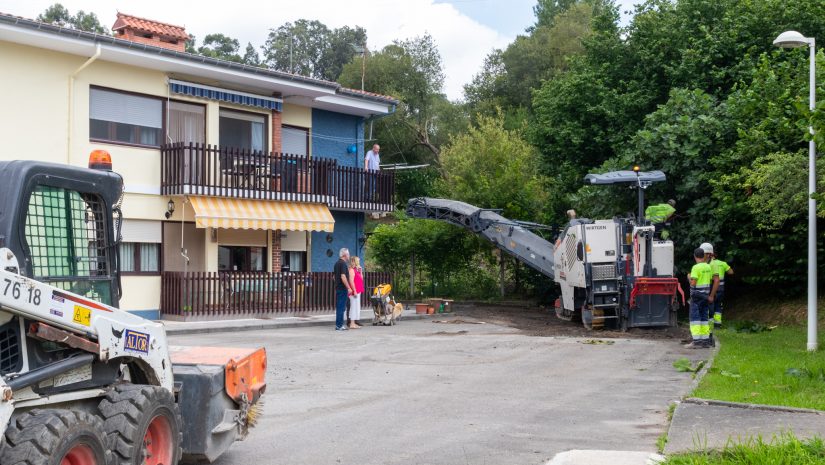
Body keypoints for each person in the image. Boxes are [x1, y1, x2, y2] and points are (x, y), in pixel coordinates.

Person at [686, 247, 714, 349]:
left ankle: (696, 342)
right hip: (705, 296)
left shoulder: (696, 267)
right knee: (704, 318)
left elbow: (693, 283)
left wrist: (689, 278)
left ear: (695, 256)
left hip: (697, 296)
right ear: (704, 255)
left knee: (695, 319)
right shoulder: (708, 267)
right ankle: (705, 341)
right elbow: (710, 280)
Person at [700, 242, 733, 327]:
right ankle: (717, 324)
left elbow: (715, 280)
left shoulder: (711, 265)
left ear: (709, 254)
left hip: (713, 286)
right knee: (718, 305)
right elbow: (731, 272)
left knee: (710, 304)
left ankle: (710, 324)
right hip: (720, 288)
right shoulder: (722, 263)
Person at [333, 248, 353, 331]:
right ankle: (339, 325)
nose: (349, 256)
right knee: (341, 307)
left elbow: (334, 277)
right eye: (348, 254)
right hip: (342, 288)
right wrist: (348, 287)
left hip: (338, 288)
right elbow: (343, 276)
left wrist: (337, 283)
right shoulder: (343, 264)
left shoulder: (336, 263)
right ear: (345, 255)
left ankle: (338, 325)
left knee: (339, 307)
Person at [348, 256, 365, 329]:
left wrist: (360, 272)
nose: (358, 262)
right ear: (354, 261)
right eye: (358, 261)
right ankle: (352, 323)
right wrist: (354, 291)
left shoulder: (356, 269)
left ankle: (354, 323)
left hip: (358, 291)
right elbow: (351, 281)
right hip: (355, 291)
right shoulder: (351, 270)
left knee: (356, 307)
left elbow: (361, 279)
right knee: (353, 307)